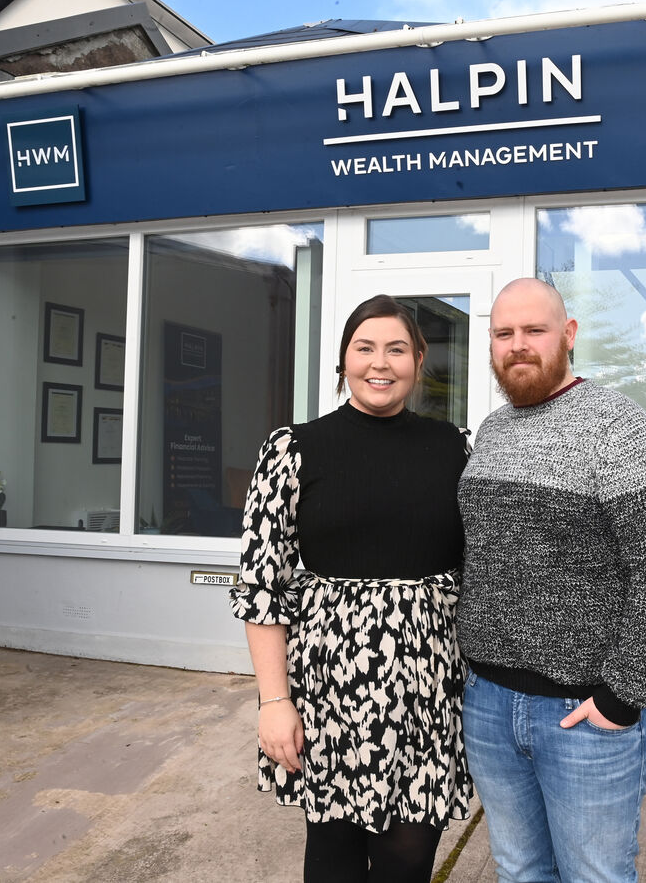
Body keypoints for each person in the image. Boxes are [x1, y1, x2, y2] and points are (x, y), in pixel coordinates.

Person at [457, 277, 646, 883]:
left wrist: (623, 695)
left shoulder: (620, 426)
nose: (517, 344)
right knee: (519, 870)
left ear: (567, 335)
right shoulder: (491, 432)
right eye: (503, 333)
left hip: (582, 714)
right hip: (488, 703)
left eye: (534, 330)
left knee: (595, 875)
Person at [229, 295, 471, 882]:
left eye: (396, 349)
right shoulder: (293, 449)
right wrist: (274, 702)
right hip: (329, 689)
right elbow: (262, 587)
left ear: (418, 361)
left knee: (408, 857)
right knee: (333, 854)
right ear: (343, 360)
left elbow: (485, 568)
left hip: (426, 689)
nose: (379, 363)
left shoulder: (456, 449)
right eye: (365, 348)